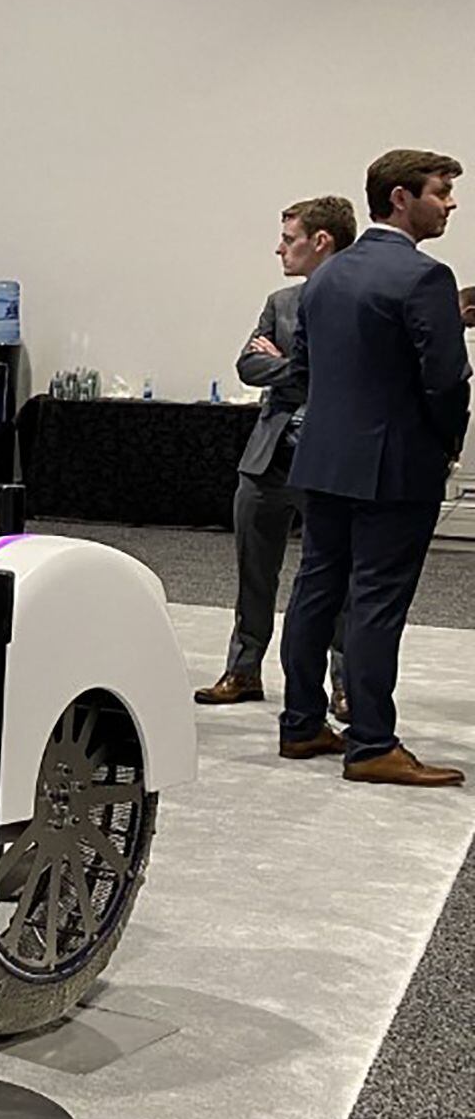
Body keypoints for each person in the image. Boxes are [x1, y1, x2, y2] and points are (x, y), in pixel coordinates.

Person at [277, 149, 471, 785]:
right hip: (396, 465)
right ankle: (371, 745)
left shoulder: (323, 277)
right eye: (440, 192)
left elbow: (302, 370)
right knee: (376, 601)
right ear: (400, 198)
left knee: (315, 590)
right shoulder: (426, 277)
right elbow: (447, 380)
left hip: (323, 458)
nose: (450, 204)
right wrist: (447, 442)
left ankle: (300, 723)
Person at [195, 196, 354, 713]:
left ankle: (346, 685)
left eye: (288, 239)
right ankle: (243, 671)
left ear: (321, 241)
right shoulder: (280, 302)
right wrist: (297, 370)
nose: (278, 249)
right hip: (266, 459)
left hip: (329, 458)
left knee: (337, 577)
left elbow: (349, 375)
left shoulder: (358, 298)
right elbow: (248, 366)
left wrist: (287, 367)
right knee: (253, 574)